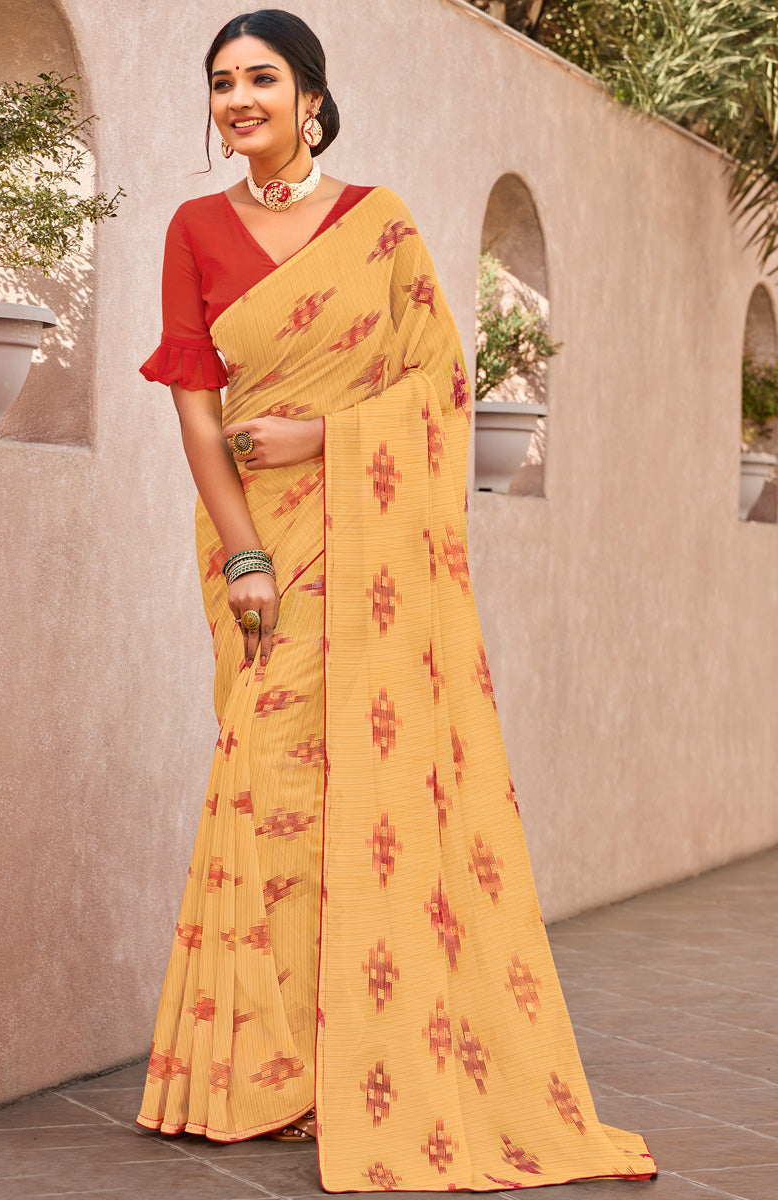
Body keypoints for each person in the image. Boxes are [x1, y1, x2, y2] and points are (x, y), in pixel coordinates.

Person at [137, 9, 658, 1192]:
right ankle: (265, 1072)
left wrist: (325, 433)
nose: (238, 99)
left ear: (311, 96)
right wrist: (243, 556)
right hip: (263, 541)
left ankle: (351, 1064)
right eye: (220, 83)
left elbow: (441, 389)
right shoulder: (194, 229)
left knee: (357, 790)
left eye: (261, 78)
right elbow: (196, 412)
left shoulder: (380, 225)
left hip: (367, 545)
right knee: (268, 787)